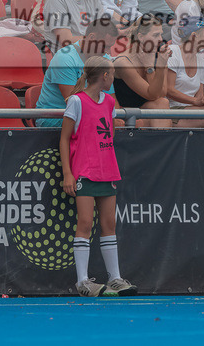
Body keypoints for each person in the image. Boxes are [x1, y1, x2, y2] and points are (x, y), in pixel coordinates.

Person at [60, 56, 137, 298]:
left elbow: (109, 135)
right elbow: (64, 139)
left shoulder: (110, 102)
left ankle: (114, 278)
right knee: (85, 223)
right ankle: (82, 281)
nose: (113, 78)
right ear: (104, 76)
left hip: (107, 170)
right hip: (84, 170)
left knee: (108, 224)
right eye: (112, 74)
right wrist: (68, 173)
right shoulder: (76, 101)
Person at [36, 15, 121, 126]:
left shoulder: (104, 59)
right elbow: (75, 105)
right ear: (91, 37)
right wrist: (108, 121)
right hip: (54, 118)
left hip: (84, 116)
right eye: (105, 46)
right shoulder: (65, 58)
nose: (108, 52)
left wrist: (117, 119)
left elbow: (111, 100)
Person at [111, 15, 172, 121]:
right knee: (161, 104)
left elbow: (162, 93)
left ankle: (161, 137)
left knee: (162, 103)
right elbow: (153, 95)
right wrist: (149, 68)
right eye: (156, 35)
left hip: (145, 110)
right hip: (125, 114)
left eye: (161, 34)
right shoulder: (123, 62)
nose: (161, 39)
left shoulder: (157, 56)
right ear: (140, 37)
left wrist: (162, 65)